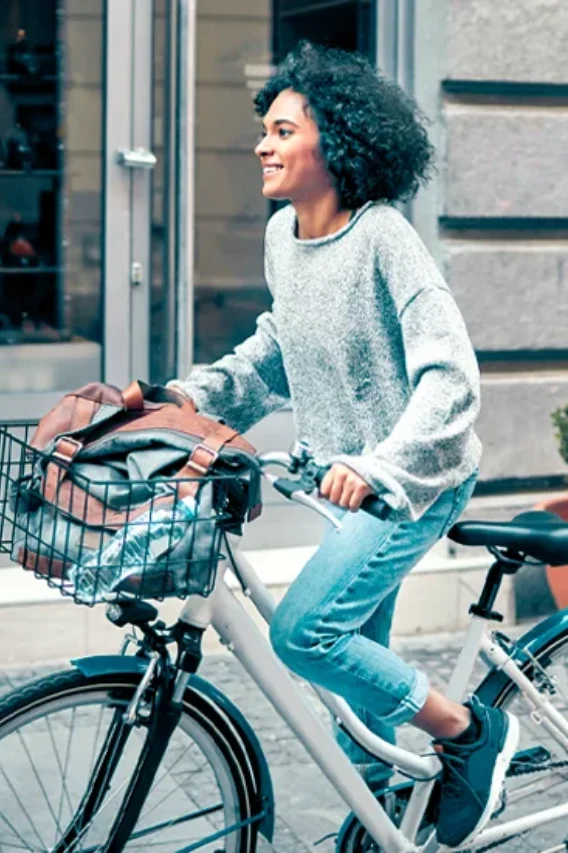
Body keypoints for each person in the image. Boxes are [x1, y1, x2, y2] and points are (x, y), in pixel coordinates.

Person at [169, 41, 519, 847]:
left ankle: (470, 733)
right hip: (346, 487)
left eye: (284, 130)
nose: (264, 142)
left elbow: (452, 379)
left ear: (339, 144)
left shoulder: (383, 237)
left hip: (415, 479)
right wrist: (189, 395)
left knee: (306, 635)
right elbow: (275, 348)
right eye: (266, 128)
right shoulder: (282, 238)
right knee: (359, 670)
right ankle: (375, 827)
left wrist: (378, 466)